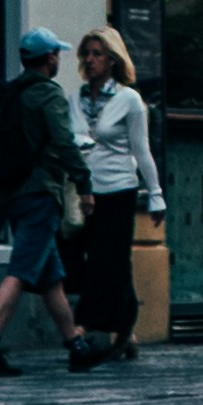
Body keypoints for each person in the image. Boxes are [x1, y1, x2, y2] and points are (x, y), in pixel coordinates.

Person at [0, 28, 90, 372]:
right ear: (50, 57)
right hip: (40, 193)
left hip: (14, 193)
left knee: (50, 278)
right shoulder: (48, 95)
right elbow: (64, 143)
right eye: (57, 54)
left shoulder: (14, 92)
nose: (59, 59)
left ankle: (76, 346)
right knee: (21, 271)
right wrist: (84, 183)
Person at [66, 25, 164, 363]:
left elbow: (142, 150)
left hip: (119, 189)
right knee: (108, 262)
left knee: (106, 261)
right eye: (86, 55)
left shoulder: (129, 100)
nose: (90, 61)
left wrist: (155, 194)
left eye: (97, 55)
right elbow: (70, 140)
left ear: (112, 60)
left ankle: (83, 325)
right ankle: (126, 331)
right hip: (85, 194)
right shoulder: (75, 98)